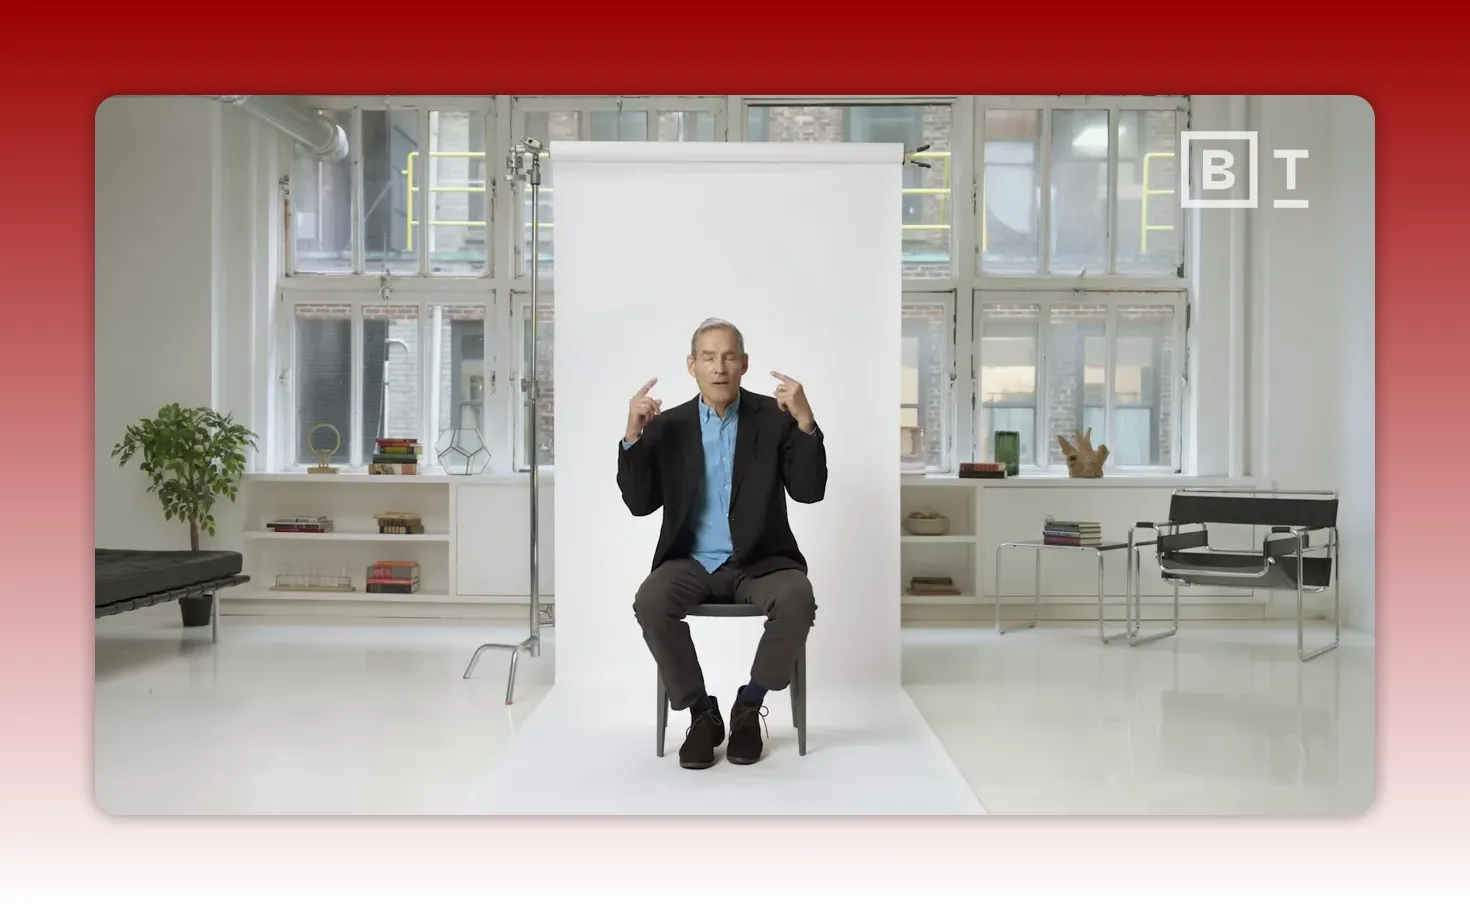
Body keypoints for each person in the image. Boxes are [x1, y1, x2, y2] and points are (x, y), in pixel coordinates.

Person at [617, 317, 826, 769]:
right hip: (692, 562)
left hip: (763, 563)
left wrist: (806, 420)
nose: (720, 367)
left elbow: (809, 491)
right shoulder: (667, 426)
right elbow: (638, 503)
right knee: (651, 600)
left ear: (744, 364)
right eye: (709, 357)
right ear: (692, 365)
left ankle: (749, 705)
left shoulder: (776, 419)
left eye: (729, 356)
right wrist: (633, 436)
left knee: (797, 599)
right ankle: (701, 714)